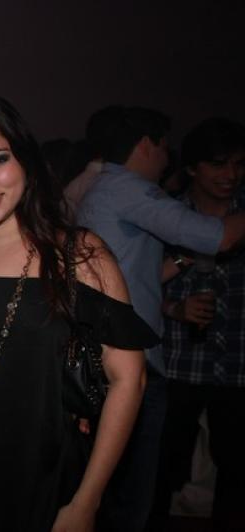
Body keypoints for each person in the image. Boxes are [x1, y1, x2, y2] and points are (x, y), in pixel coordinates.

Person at [0, 96, 155, 531]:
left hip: (45, 492)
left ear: (25, 160)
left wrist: (87, 502)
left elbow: (129, 380)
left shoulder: (77, 254)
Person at [76, 106, 245, 532]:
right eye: (165, 147)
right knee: (132, 491)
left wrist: (184, 261)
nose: (167, 159)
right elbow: (219, 236)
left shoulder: (106, 188)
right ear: (147, 145)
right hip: (127, 357)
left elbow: (136, 273)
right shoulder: (131, 189)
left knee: (122, 484)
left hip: (110, 352)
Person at [150, 117, 245, 531]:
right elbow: (134, 287)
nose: (231, 175)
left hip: (238, 361)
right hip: (180, 362)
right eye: (218, 164)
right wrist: (174, 308)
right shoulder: (166, 215)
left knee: (236, 469)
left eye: (238, 164)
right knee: (164, 463)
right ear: (191, 167)